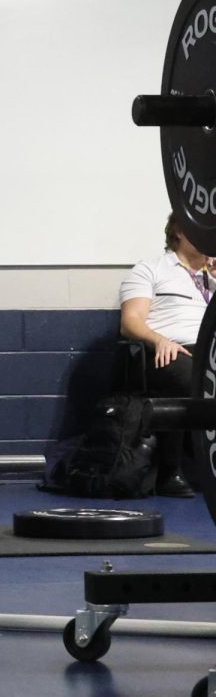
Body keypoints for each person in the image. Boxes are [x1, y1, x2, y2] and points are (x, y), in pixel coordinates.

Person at [118, 211, 216, 498]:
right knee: (192, 378)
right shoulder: (151, 269)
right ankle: (170, 471)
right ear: (180, 232)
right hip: (171, 350)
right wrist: (159, 340)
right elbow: (131, 321)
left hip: (211, 350)